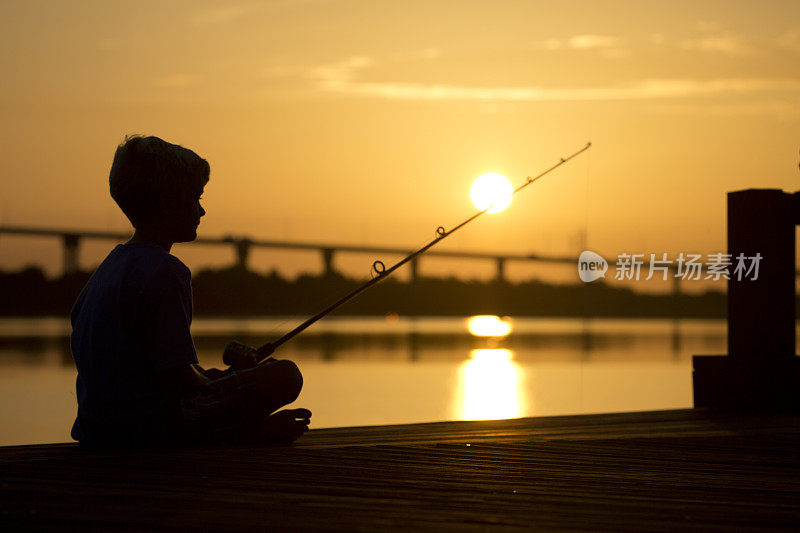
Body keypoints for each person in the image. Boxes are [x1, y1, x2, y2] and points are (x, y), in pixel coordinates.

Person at [69, 135, 311, 446]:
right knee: (284, 375)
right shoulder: (166, 271)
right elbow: (177, 377)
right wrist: (222, 382)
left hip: (99, 430)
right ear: (167, 203)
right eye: (197, 199)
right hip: (150, 430)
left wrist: (219, 376)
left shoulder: (108, 269)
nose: (201, 212)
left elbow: (156, 370)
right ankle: (255, 435)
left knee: (220, 376)